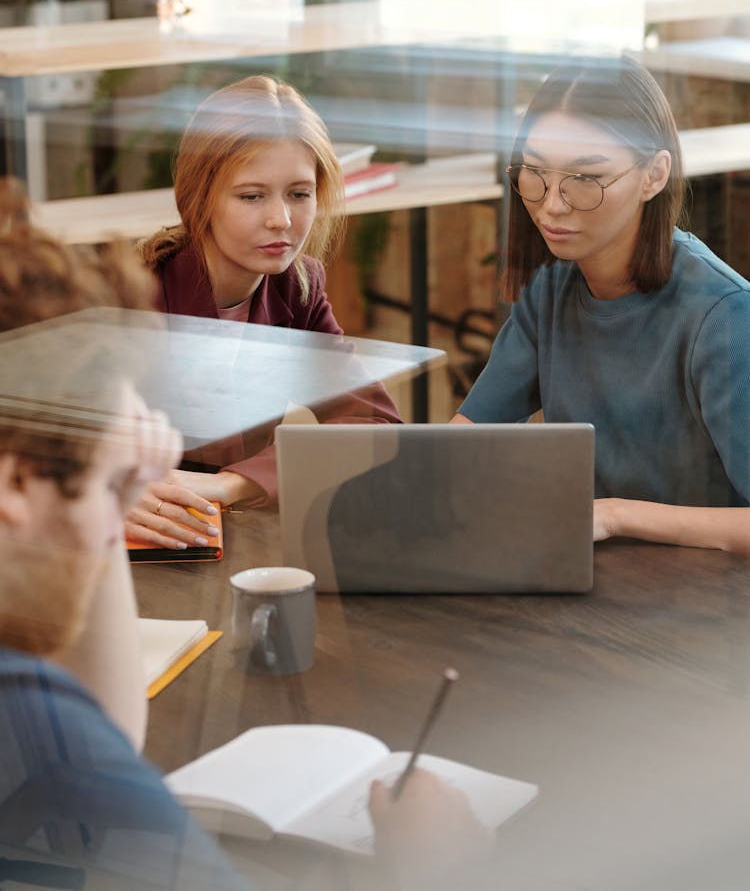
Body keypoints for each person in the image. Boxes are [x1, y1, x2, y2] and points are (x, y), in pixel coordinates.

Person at [0, 183, 494, 891]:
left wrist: (107, 475)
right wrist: (434, 872)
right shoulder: (20, 700)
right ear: (17, 486)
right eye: (115, 485)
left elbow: (105, 741)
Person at [454, 54, 750, 553]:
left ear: (654, 175)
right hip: (591, 582)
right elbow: (463, 443)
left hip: (707, 607)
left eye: (586, 179)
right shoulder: (551, 291)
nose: (552, 203)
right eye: (534, 173)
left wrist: (615, 516)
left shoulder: (723, 317)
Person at [128, 75, 401, 551]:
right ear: (200, 198)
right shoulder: (134, 296)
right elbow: (49, 448)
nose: (282, 220)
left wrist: (233, 484)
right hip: (130, 544)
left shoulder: (297, 288)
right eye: (252, 196)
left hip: (228, 534)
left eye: (299, 193)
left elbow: (373, 426)